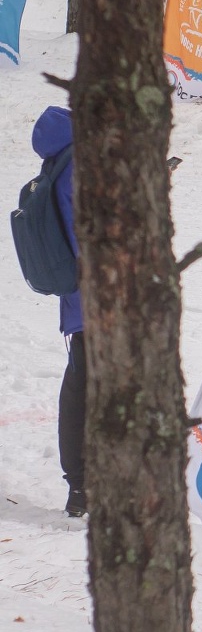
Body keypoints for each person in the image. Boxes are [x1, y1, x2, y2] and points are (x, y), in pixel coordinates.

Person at [31, 106, 86, 517]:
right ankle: (88, 486)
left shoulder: (58, 163)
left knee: (80, 387)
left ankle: (80, 486)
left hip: (78, 302)